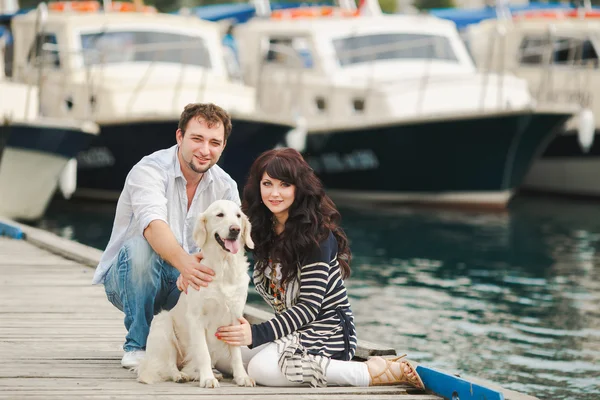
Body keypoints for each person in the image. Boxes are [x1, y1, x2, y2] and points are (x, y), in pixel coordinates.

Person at [197, 148, 425, 389]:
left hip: (329, 332)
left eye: (284, 184)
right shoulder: (262, 231)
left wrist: (257, 333)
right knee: (223, 357)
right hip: (291, 332)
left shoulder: (317, 237)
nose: (274, 193)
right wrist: (190, 267)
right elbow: (218, 251)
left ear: (299, 188)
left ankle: (373, 371)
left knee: (261, 369)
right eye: (267, 183)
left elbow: (309, 308)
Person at [92, 103, 240, 369]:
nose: (205, 150)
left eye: (214, 142)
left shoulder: (226, 186)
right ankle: (138, 345)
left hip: (185, 282)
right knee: (140, 247)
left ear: (224, 146)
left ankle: (197, 352)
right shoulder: (148, 170)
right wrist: (186, 264)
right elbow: (153, 225)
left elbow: (231, 246)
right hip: (129, 279)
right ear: (179, 137)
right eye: (197, 139)